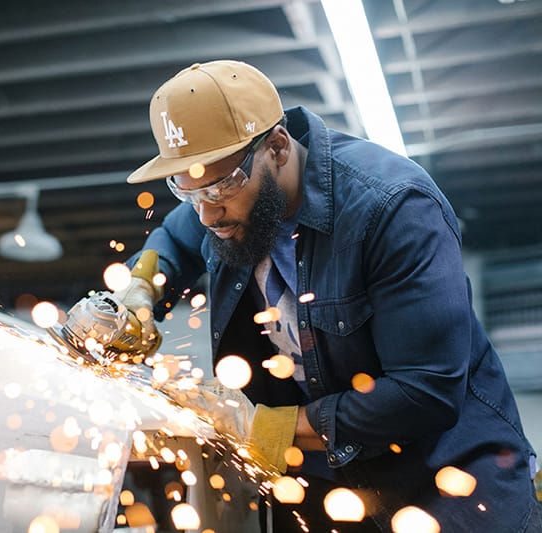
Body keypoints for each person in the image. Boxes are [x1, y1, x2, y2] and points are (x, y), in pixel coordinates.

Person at [111, 60, 542, 532]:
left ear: (276, 146)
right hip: (326, 488)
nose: (209, 214)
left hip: (447, 488)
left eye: (222, 187)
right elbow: (172, 240)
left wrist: (264, 429)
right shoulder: (215, 200)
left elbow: (427, 390)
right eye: (188, 191)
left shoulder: (394, 207)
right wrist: (137, 294)